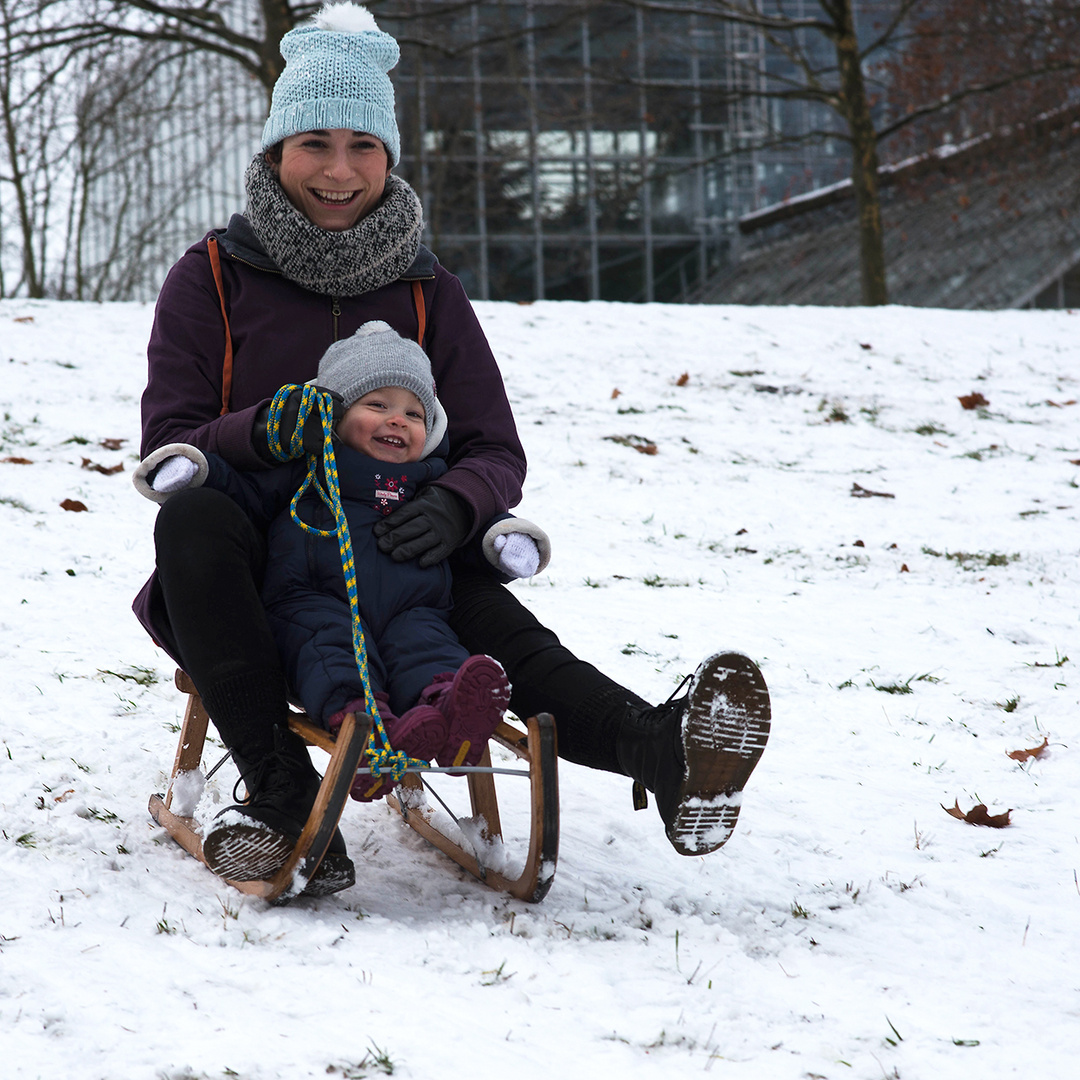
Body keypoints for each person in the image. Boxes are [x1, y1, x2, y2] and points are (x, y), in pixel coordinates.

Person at [133, 2, 771, 898]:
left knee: (508, 635)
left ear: (391, 158)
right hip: (258, 565)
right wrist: (257, 431)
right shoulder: (210, 279)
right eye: (314, 142)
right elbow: (169, 451)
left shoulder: (430, 291)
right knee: (191, 523)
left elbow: (493, 446)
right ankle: (281, 803)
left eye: (363, 145)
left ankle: (660, 750)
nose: (339, 169)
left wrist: (458, 503)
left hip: (398, 540)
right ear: (276, 152)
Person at [134, 320, 551, 822]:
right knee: (328, 652)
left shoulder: (430, 482)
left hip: (413, 609)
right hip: (314, 601)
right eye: (377, 406)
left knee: (430, 647)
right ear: (336, 414)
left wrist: (501, 542)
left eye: (414, 413)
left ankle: (450, 710)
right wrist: (197, 470)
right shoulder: (304, 470)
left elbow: (470, 530)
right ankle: (364, 738)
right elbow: (243, 492)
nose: (397, 421)